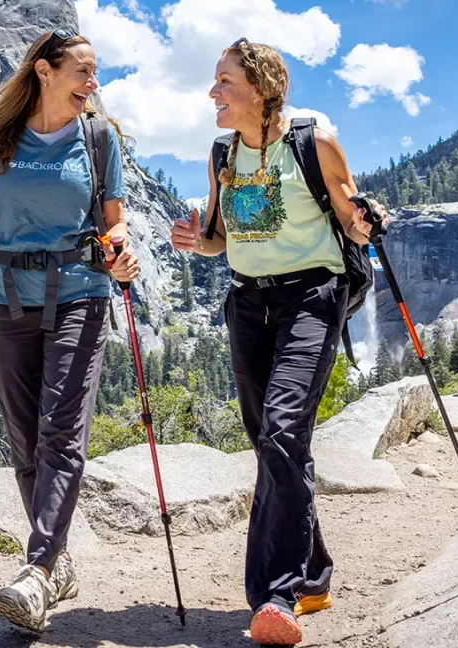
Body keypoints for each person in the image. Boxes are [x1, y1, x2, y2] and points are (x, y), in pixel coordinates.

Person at [170, 39, 389, 645]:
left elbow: (352, 219)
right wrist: (197, 239)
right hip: (247, 304)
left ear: (262, 90)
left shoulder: (313, 142)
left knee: (283, 429)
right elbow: (217, 238)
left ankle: (277, 595)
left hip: (311, 299)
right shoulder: (221, 153)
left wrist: (371, 218)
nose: (213, 92)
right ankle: (314, 574)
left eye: (224, 81)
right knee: (271, 440)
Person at [0, 27, 140, 632]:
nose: (92, 84)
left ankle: (38, 569)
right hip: (6, 299)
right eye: (82, 71)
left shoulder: (98, 139)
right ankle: (58, 563)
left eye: (95, 74)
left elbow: (114, 219)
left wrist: (119, 250)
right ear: (45, 71)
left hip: (80, 293)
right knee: (26, 442)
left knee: (61, 432)